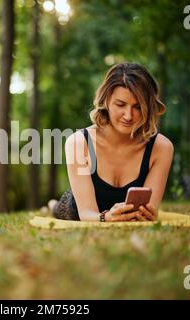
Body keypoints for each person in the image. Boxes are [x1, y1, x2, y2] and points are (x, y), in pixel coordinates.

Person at [50, 62, 174, 222]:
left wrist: (148, 214)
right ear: (106, 101)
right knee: (56, 208)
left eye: (137, 107)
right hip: (75, 209)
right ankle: (51, 204)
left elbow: (149, 209)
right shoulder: (79, 143)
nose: (128, 116)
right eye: (120, 104)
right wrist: (105, 217)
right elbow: (87, 213)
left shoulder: (161, 148)